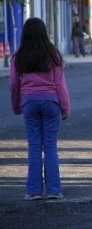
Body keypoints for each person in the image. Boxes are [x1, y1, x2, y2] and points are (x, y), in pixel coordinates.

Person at [9, 18, 70, 200]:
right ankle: (53, 190)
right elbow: (60, 84)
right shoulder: (53, 55)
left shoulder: (18, 57)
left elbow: (13, 85)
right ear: (44, 33)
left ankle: (34, 191)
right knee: (50, 145)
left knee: (34, 146)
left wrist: (16, 105)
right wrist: (65, 106)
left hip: (29, 103)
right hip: (51, 102)